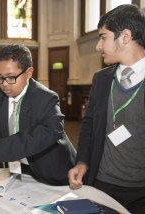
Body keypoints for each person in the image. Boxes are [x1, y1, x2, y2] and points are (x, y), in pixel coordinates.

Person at [0, 44, 76, 185]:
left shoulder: (46, 98)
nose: (4, 84)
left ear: (29, 73)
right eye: (0, 78)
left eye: (11, 77)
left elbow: (46, 133)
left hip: (52, 173)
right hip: (18, 171)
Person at [67, 5, 145, 213]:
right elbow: (89, 124)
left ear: (125, 36)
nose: (98, 46)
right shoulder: (101, 79)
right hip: (102, 185)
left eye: (103, 37)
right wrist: (82, 161)